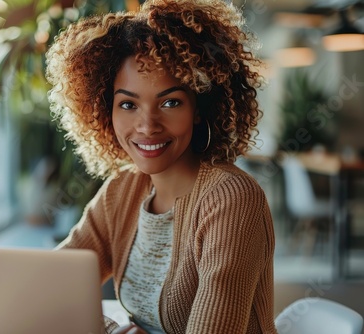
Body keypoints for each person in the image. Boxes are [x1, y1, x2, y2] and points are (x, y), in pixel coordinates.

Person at [45, 0, 276, 333]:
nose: (147, 125)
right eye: (128, 104)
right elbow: (51, 281)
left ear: (199, 107)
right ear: (105, 109)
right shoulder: (123, 190)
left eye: (170, 102)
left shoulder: (231, 199)